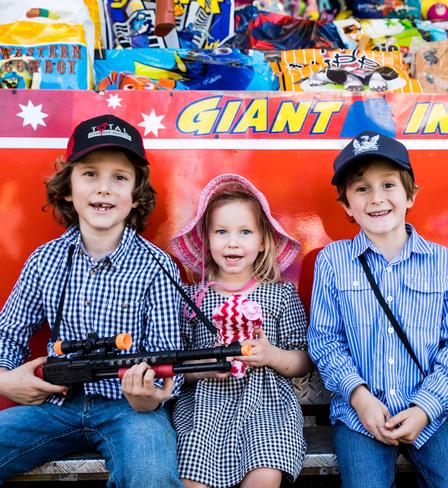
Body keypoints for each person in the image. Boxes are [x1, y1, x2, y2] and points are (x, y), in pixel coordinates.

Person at [0, 114, 184, 487]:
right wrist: (5, 380)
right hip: (55, 406)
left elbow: (169, 358)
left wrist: (151, 395)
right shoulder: (45, 259)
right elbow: (8, 334)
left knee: (150, 474)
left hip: (130, 410)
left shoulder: (158, 266)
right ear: (67, 188)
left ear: (136, 196)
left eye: (119, 177)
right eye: (90, 174)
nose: (104, 189)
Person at [307, 131, 448, 488]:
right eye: (361, 189)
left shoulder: (442, 262)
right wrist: (360, 398)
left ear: (411, 195)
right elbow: (325, 341)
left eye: (388, 185)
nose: (376, 199)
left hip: (430, 415)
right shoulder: (333, 261)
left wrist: (425, 408)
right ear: (345, 205)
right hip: (359, 417)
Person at [169, 173, 311, 488]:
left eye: (245, 232)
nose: (233, 242)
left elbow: (303, 360)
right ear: (206, 241)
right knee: (191, 478)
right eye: (221, 232)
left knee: (264, 475)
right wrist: (205, 367)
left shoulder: (281, 295)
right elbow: (175, 367)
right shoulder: (192, 298)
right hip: (204, 411)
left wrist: (272, 355)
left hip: (267, 410)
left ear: (262, 242)